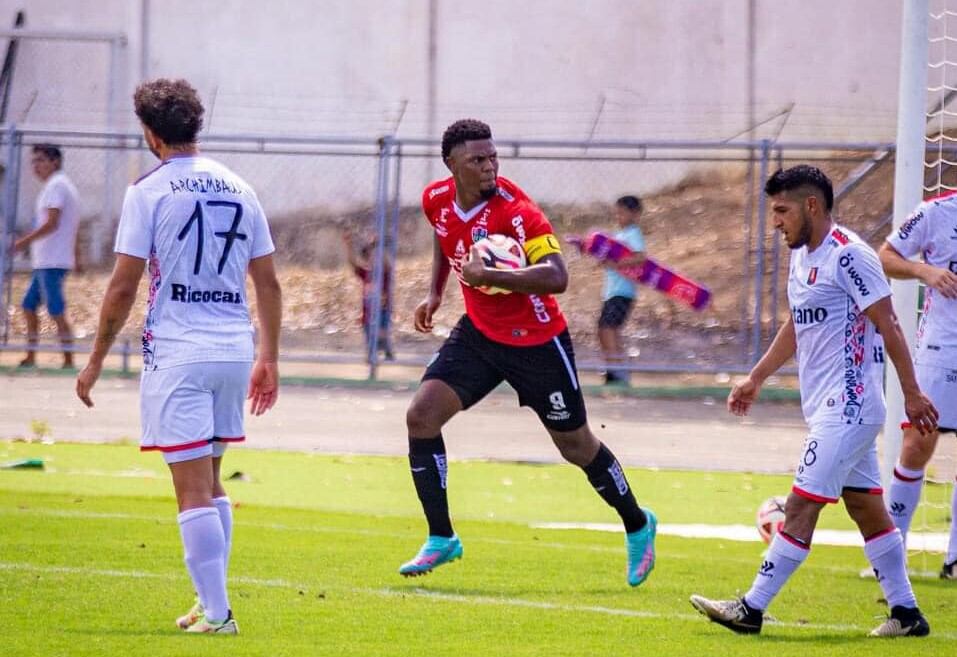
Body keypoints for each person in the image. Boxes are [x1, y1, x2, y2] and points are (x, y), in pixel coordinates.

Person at [399, 118, 657, 587]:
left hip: (537, 342)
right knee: (421, 416)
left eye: (493, 157)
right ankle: (441, 536)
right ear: (452, 165)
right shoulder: (435, 198)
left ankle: (638, 523)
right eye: (478, 159)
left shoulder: (517, 212)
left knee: (576, 447)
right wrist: (436, 293)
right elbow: (444, 233)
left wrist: (492, 276)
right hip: (479, 335)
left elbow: (557, 276)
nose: (489, 166)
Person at [689, 165, 938, 637]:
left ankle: (751, 608)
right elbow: (796, 324)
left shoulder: (850, 255)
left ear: (811, 206)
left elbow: (889, 322)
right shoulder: (802, 257)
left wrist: (911, 392)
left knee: (800, 505)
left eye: (782, 211)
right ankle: (907, 614)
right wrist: (756, 377)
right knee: (867, 510)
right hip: (830, 408)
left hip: (849, 406)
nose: (776, 222)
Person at [75, 78, 282, 635]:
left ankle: (218, 613)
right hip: (233, 350)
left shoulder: (148, 191)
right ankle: (209, 599)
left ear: (150, 132)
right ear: (196, 125)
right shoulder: (240, 186)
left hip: (180, 353)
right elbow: (268, 283)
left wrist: (95, 359)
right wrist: (270, 357)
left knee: (191, 489)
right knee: (211, 482)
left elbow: (123, 286)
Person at [879, 191, 957, 579]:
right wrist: (925, 272)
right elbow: (885, 256)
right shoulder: (935, 211)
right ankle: (891, 554)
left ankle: (954, 560)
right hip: (941, 349)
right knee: (916, 444)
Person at [14, 144, 81, 369]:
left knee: (56, 309)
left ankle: (69, 360)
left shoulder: (57, 185)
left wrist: (23, 242)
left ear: (55, 162)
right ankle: (31, 355)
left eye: (41, 160)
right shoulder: (54, 186)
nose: (36, 166)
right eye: (34, 161)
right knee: (28, 305)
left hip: (53, 261)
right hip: (45, 260)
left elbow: (52, 223)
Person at [597, 195, 646, 385]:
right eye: (617, 213)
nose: (619, 217)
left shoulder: (633, 233)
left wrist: (615, 263)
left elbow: (640, 258)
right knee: (608, 330)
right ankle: (615, 368)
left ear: (635, 214)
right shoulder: (619, 235)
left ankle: (617, 371)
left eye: (623, 213)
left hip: (623, 292)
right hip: (612, 291)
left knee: (607, 328)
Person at [342, 229, 395, 360]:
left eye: (376, 256)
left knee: (381, 332)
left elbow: (386, 261)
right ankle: (373, 354)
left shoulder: (384, 272)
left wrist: (377, 245)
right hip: (368, 312)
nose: (374, 259)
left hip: (382, 310)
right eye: (371, 256)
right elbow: (353, 264)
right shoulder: (366, 273)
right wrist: (349, 246)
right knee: (369, 335)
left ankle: (385, 348)